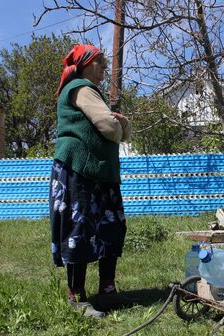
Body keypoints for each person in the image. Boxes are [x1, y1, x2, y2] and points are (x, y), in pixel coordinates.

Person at [49, 44, 132, 318]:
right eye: (100, 62)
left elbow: (121, 130)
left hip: (98, 172)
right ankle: (78, 296)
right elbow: (110, 127)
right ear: (85, 64)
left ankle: (107, 290)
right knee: (79, 229)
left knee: (111, 226)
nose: (104, 68)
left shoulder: (87, 90)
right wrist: (119, 124)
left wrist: (121, 125)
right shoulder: (81, 87)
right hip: (79, 170)